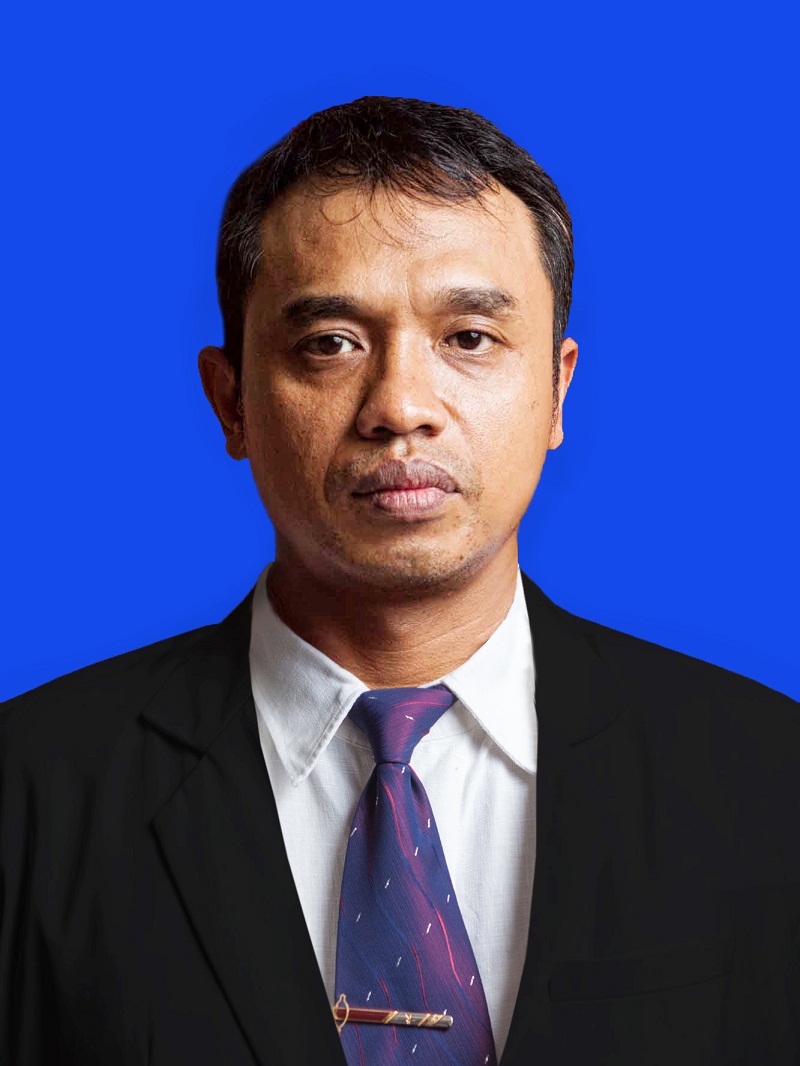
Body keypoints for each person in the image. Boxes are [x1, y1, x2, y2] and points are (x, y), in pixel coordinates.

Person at [0, 96, 797, 1066]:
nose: (401, 406)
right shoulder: (29, 795)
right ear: (231, 399)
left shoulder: (766, 779)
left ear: (557, 388)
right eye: (330, 343)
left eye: (468, 337)